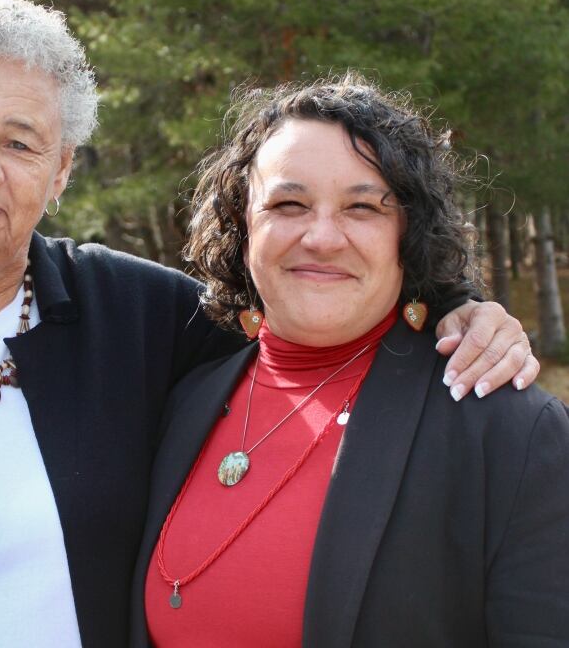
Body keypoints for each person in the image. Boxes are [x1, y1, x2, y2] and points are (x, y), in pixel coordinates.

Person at [0, 0, 540, 648]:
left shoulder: (140, 316)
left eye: (20, 142)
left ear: (60, 173)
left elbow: (315, 289)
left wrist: (457, 306)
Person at [131, 76, 569, 647]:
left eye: (362, 207)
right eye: (289, 204)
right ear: (243, 226)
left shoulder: (506, 427)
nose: (321, 236)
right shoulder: (185, 401)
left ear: (407, 233)